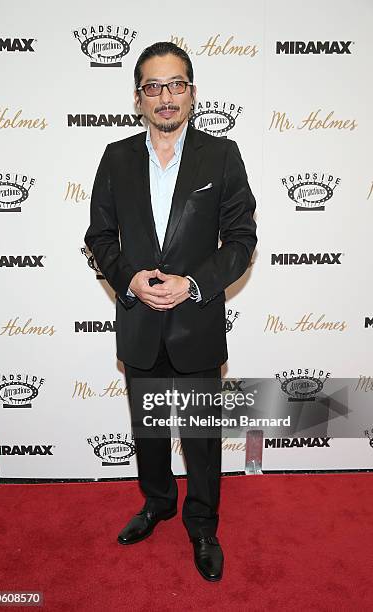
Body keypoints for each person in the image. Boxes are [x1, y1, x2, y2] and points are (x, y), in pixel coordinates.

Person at [84, 41, 257, 582]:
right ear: (138, 98)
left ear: (192, 92)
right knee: (150, 432)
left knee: (202, 438)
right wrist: (128, 279)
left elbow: (241, 239)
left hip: (197, 326)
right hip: (139, 325)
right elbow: (99, 237)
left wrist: (193, 285)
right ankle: (157, 503)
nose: (166, 96)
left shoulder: (221, 155)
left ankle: (202, 524)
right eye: (154, 87)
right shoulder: (115, 158)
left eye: (176, 84)